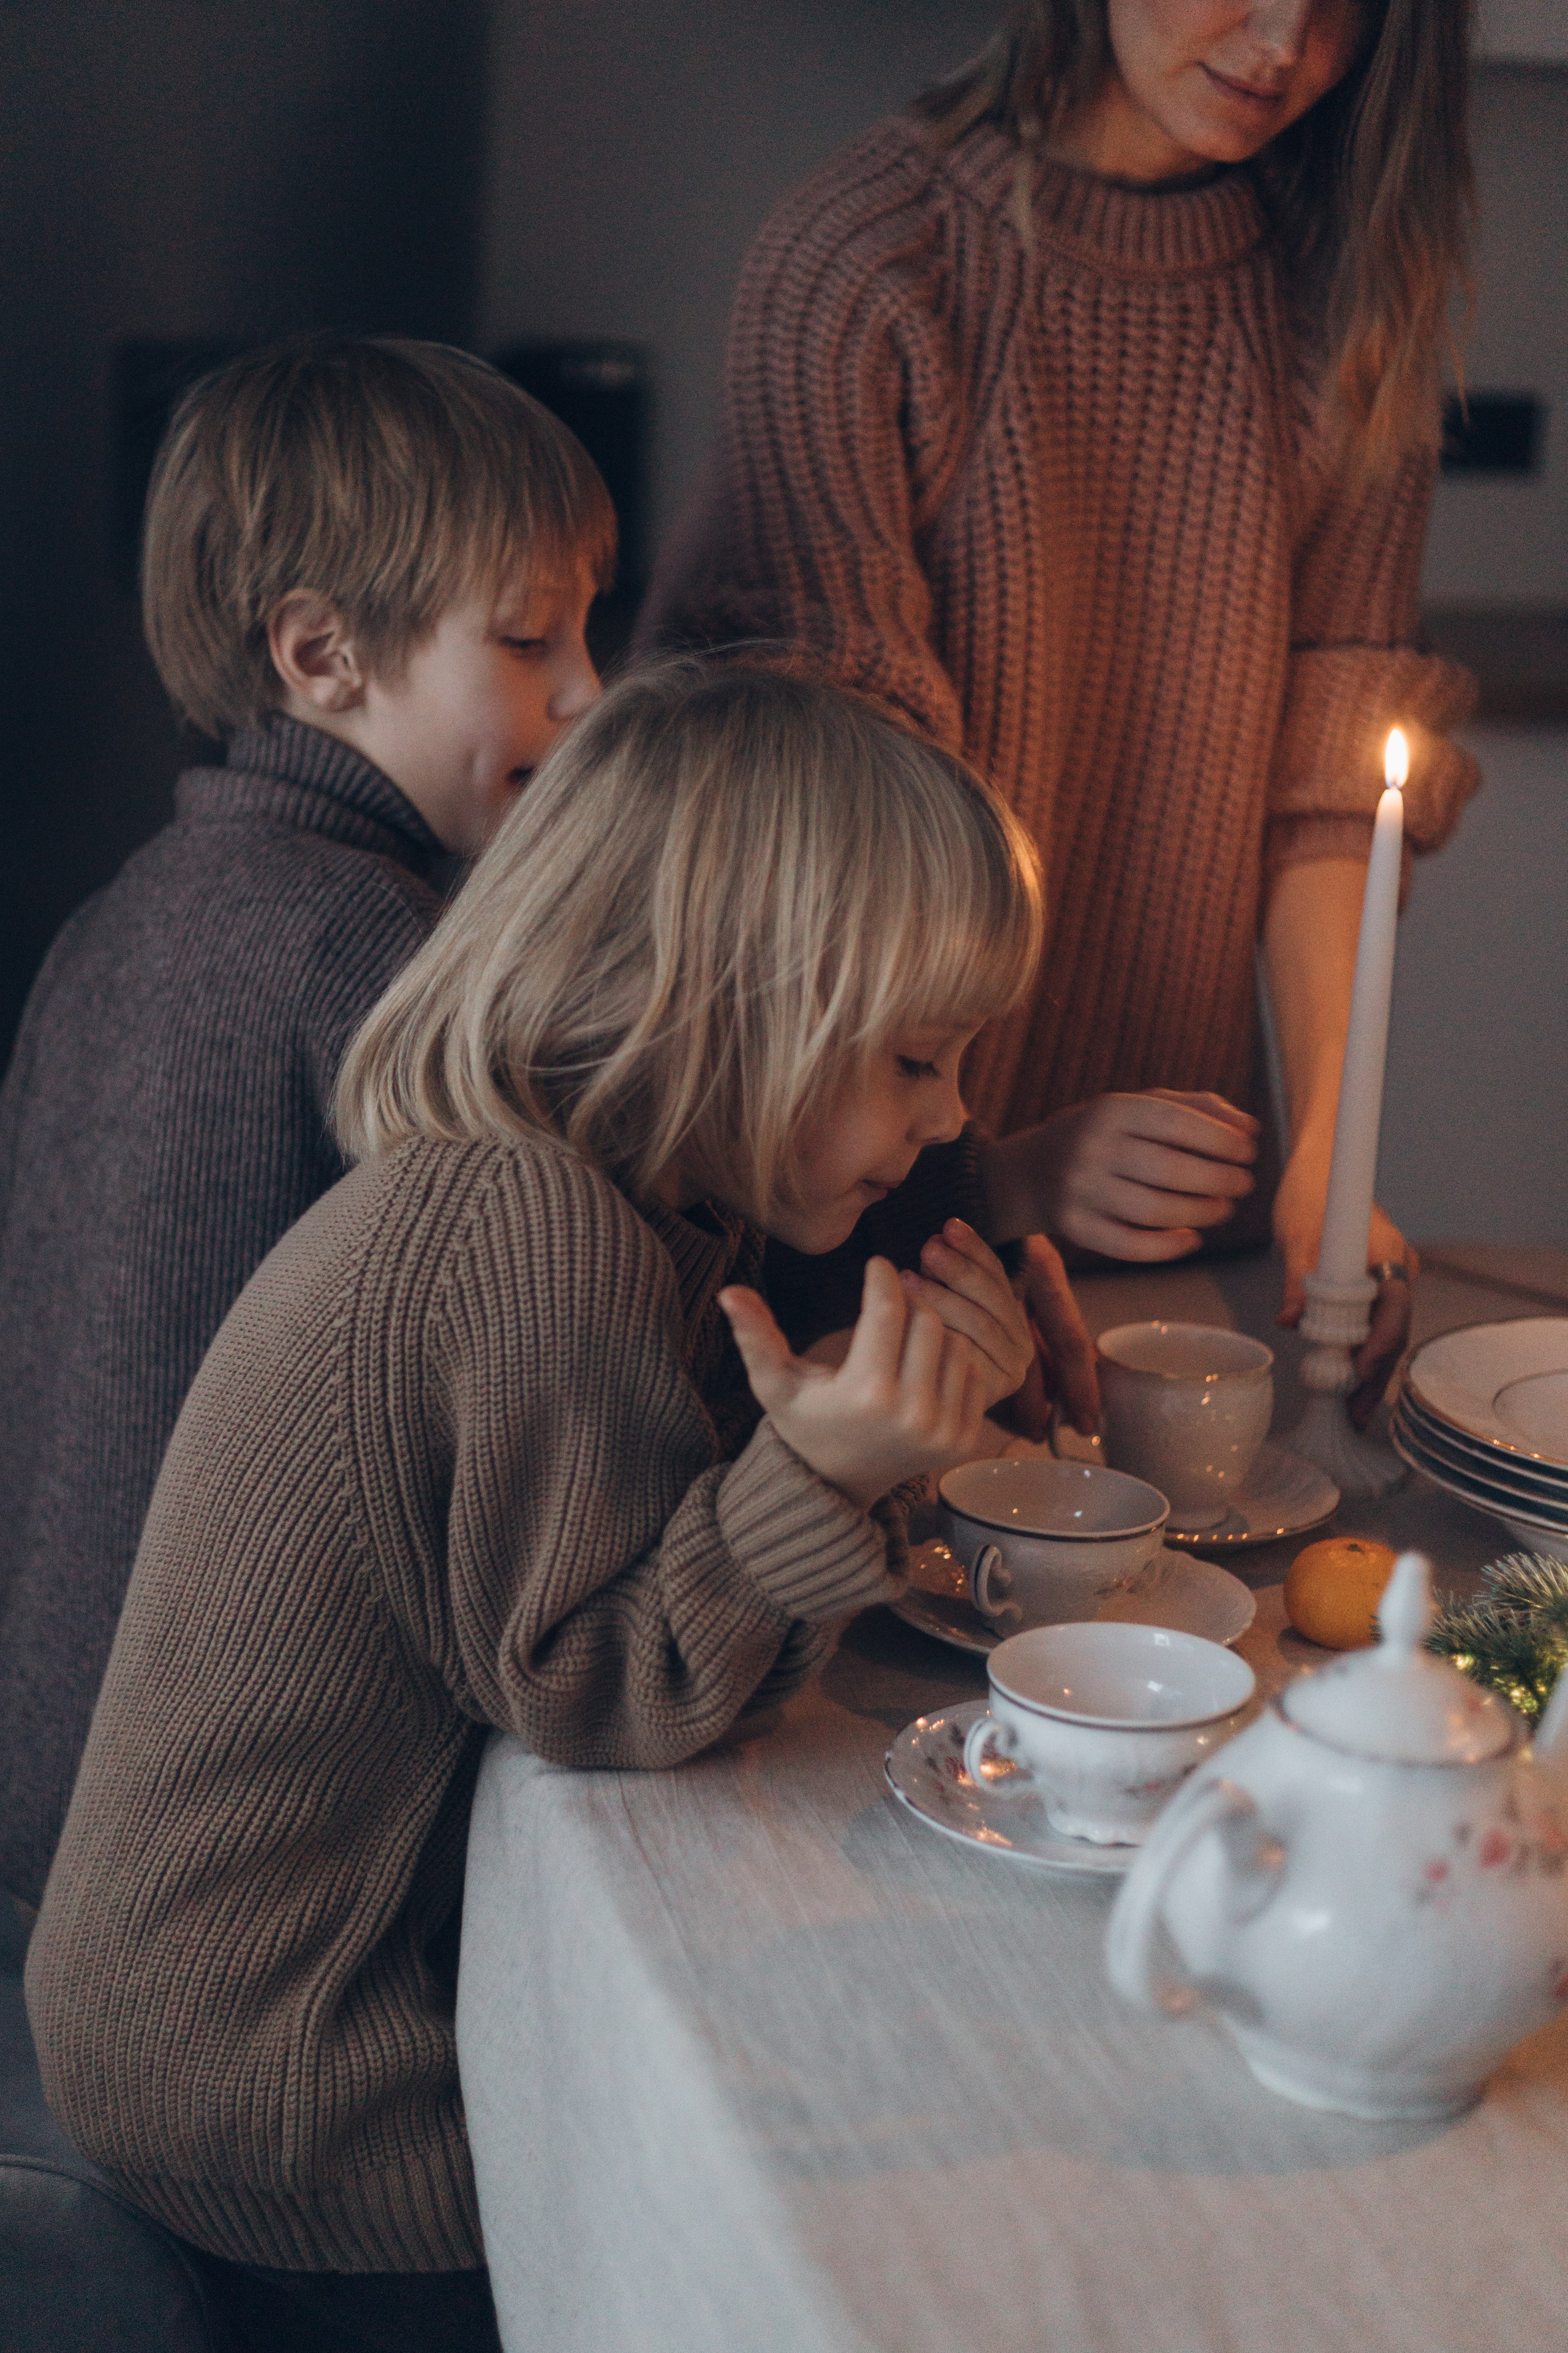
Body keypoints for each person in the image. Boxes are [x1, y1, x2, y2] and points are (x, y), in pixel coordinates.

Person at [29, 660, 1051, 2351]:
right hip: (286, 2069)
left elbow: (637, 1527)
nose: (951, 1116)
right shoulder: (523, 1234)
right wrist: (830, 1473)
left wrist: (883, 1433)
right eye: (918, 1057)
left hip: (244, 2015)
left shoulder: (595, 1207)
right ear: (727, 996)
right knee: (773, 2205)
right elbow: (605, 1685)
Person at [640, 0, 1483, 1422]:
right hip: (856, 1228)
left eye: (1344, 4)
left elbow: (1333, 783)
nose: (1286, 43)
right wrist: (997, 1167)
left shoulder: (1343, 295)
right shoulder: (865, 259)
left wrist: (1324, 1166)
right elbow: (815, 855)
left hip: (1162, 1222)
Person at [0, 336, 609, 1912]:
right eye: (532, 637)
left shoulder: (104, 928)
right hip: (212, 1815)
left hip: (42, 1746)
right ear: (322, 654)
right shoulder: (370, 948)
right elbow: (547, 1297)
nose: (588, 689)